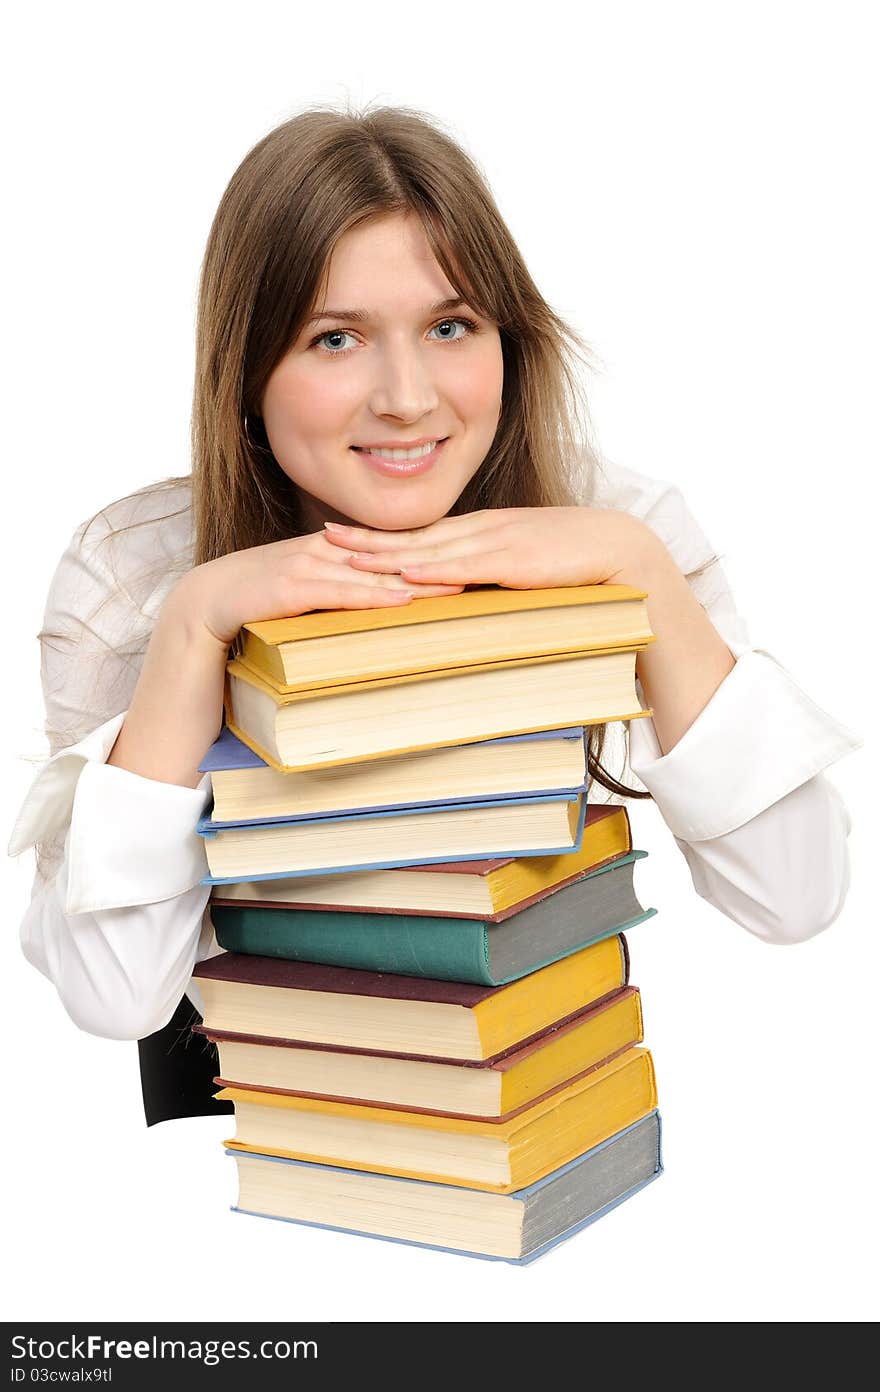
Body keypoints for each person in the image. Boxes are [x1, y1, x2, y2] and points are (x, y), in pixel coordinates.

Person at [8, 103, 860, 1125]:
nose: (407, 397)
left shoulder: (616, 528)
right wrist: (195, 627)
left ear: (509, 341)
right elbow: (117, 998)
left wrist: (643, 580)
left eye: (450, 327)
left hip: (544, 1113)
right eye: (335, 340)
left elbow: (794, 898)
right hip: (263, 1135)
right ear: (247, 374)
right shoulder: (138, 570)